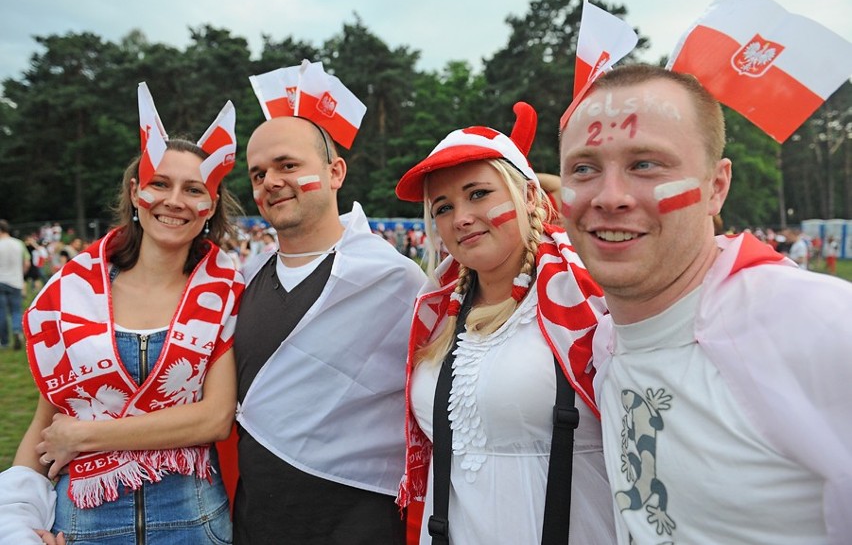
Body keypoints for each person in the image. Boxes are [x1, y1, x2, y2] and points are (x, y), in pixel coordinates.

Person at [559, 63, 852, 543]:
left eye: (645, 164)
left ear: (716, 187)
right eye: (585, 168)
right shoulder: (606, 339)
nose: (610, 198)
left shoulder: (820, 326)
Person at [0, 84, 243, 544]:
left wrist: (86, 438)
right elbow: (46, 423)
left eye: (193, 189)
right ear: (135, 192)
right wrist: (15, 526)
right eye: (159, 184)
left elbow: (214, 418)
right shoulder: (70, 293)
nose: (175, 200)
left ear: (209, 206)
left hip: (193, 525)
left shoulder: (225, 293)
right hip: (82, 527)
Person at [394, 102, 615, 544]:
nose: (460, 218)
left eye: (478, 194)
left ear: (529, 195)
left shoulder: (590, 299)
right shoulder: (435, 313)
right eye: (443, 207)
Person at [233, 63, 425, 544]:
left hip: (358, 522)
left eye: (287, 165)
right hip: (257, 519)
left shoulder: (396, 279)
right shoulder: (246, 278)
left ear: (335, 171)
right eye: (258, 174)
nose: (270, 182)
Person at [0, 219, 30, 350]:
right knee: (16, 311)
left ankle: (5, 342)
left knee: (1, 312)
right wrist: (21, 274)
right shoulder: (18, 244)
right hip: (16, 281)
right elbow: (27, 262)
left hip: (1, 281)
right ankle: (17, 331)